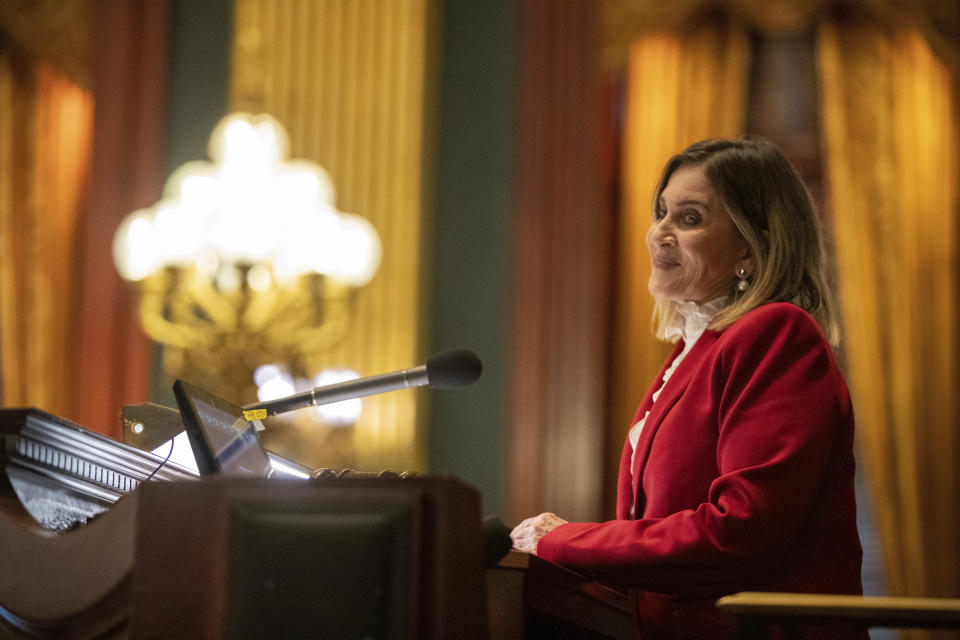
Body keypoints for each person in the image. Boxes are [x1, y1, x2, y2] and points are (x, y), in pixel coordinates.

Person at [510, 137, 866, 640]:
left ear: (751, 243)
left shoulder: (777, 334)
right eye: (662, 212)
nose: (660, 232)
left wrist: (565, 541)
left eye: (690, 218)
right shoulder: (689, 353)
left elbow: (738, 533)